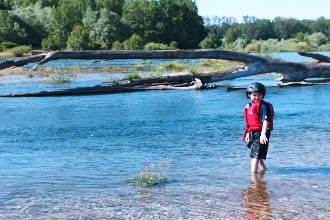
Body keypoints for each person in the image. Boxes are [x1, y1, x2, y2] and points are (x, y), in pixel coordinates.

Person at [242, 82, 274, 174]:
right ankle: (263, 173)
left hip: (261, 133)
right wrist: (248, 132)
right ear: (249, 95)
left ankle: (253, 176)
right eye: (254, 95)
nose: (257, 97)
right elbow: (250, 122)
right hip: (253, 132)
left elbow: (265, 121)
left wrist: (263, 134)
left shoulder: (263, 106)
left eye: (259, 95)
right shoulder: (250, 106)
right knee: (258, 156)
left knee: (254, 155)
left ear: (263, 95)